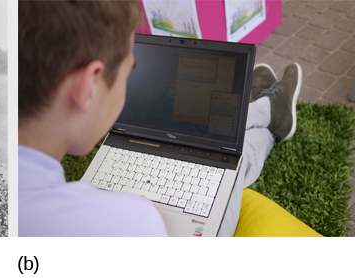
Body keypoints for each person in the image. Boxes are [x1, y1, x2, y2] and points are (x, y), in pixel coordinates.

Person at [18, 0, 302, 237]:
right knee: (234, 161)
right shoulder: (134, 224)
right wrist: (137, 217)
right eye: (130, 71)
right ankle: (269, 110)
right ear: (88, 87)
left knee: (226, 153)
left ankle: (269, 108)